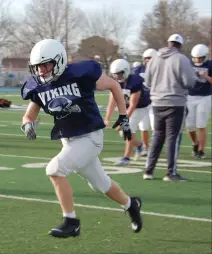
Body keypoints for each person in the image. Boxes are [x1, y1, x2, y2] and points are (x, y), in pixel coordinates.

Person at [21, 39, 142, 238]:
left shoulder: (79, 75)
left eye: (45, 65)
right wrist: (27, 124)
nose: (41, 71)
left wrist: (123, 116)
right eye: (37, 67)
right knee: (101, 184)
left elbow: (113, 85)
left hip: (90, 137)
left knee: (55, 169)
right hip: (69, 141)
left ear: (59, 61)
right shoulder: (38, 86)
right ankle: (131, 204)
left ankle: (71, 221)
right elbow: (30, 114)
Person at [144, 34, 197, 181]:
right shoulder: (181, 59)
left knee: (157, 136)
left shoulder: (154, 58)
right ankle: (170, 172)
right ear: (179, 45)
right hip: (175, 103)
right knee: (173, 138)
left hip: (156, 102)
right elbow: (189, 81)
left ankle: (148, 171)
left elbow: (147, 82)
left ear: (168, 43)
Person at [105, 59, 151, 165]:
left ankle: (126, 157)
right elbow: (112, 102)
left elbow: (133, 104)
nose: (117, 76)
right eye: (115, 74)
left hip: (140, 107)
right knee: (123, 132)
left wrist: (123, 121)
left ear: (125, 71)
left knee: (128, 128)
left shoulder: (134, 81)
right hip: (127, 107)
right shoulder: (115, 83)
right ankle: (139, 145)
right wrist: (107, 119)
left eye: (119, 74)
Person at [186, 44, 212, 158]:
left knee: (201, 125)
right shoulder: (188, 64)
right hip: (190, 97)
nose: (198, 60)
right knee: (190, 126)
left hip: (204, 97)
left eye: (200, 58)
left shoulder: (210, 65)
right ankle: (195, 144)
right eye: (196, 58)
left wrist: (206, 76)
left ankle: (201, 150)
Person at [131, 48, 157, 156]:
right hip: (144, 102)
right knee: (144, 126)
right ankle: (145, 148)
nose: (148, 60)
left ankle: (155, 148)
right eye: (146, 58)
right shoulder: (138, 70)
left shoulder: (160, 69)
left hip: (156, 101)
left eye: (150, 58)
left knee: (155, 127)